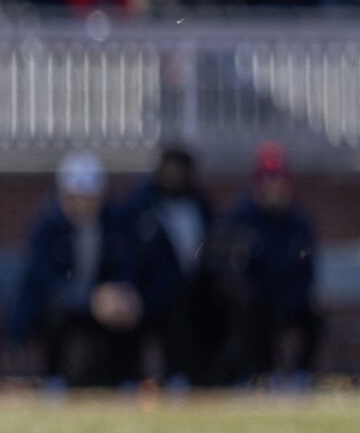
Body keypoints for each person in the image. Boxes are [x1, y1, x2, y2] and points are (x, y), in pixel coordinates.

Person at [23, 152, 148, 388]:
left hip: (104, 305)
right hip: (64, 306)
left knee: (129, 307)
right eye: (74, 197)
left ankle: (127, 381)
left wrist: (122, 294)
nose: (81, 204)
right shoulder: (47, 226)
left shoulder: (115, 223)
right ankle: (54, 380)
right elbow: (46, 281)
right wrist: (91, 300)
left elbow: (127, 266)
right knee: (54, 313)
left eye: (88, 196)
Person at [119, 146, 218, 385]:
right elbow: (131, 253)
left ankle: (205, 377)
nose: (175, 176)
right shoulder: (143, 204)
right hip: (151, 290)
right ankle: (136, 377)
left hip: (194, 290)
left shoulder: (199, 204)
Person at [223, 143, 318, 386]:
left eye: (278, 179)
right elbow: (232, 269)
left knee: (313, 316)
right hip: (255, 300)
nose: (273, 186)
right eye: (267, 179)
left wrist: (290, 298)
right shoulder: (240, 218)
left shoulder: (299, 222)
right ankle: (254, 375)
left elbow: (307, 270)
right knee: (250, 314)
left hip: (290, 297)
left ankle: (301, 376)